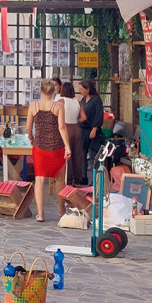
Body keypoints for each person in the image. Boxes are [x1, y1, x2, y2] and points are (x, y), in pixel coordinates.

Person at [26, 79, 72, 222]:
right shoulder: (58, 106)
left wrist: (31, 137)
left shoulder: (33, 106)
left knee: (39, 179)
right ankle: (61, 210)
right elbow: (62, 127)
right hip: (56, 147)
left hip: (39, 147)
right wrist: (67, 147)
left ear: (40, 91)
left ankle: (40, 214)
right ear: (54, 91)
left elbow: (28, 127)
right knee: (59, 179)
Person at [60, 81, 87, 185]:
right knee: (77, 154)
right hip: (76, 128)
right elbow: (84, 117)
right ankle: (78, 180)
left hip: (66, 128)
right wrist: (76, 121)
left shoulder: (61, 101)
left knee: (68, 153)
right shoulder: (78, 101)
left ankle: (69, 179)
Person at [78, 79, 104, 185]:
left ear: (88, 89)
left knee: (93, 155)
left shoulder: (96, 100)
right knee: (83, 154)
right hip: (83, 130)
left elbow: (98, 115)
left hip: (93, 130)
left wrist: (94, 128)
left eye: (81, 89)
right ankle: (84, 177)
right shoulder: (84, 100)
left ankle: (95, 180)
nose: (80, 91)